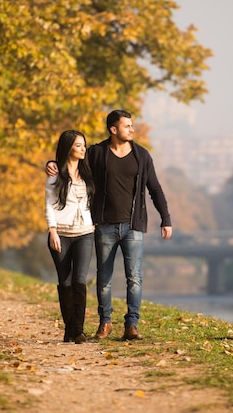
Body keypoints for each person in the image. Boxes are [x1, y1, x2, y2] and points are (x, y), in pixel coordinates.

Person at [47, 109, 172, 340]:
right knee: (103, 278)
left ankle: (131, 325)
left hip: (133, 226)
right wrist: (52, 163)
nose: (132, 129)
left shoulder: (142, 156)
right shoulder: (97, 152)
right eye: (127, 126)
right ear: (113, 129)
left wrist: (166, 218)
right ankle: (105, 323)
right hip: (103, 225)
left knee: (134, 277)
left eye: (131, 125)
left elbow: (154, 188)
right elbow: (74, 165)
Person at [45, 130, 95, 344]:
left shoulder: (89, 171)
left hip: (85, 233)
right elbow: (49, 204)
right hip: (61, 234)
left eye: (84, 145)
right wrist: (52, 230)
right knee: (64, 282)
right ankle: (70, 329)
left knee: (79, 280)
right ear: (68, 148)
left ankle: (79, 331)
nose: (83, 149)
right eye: (78, 146)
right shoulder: (55, 175)